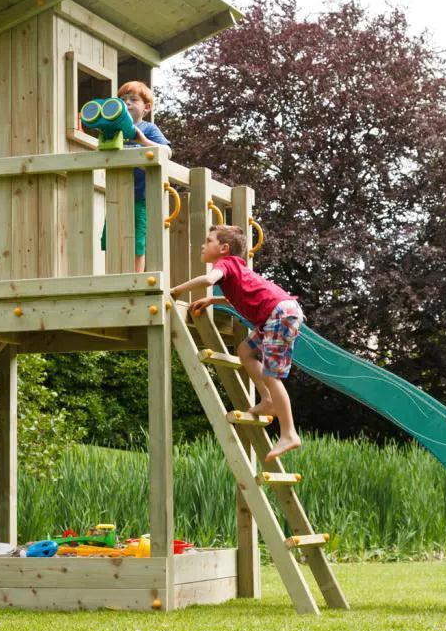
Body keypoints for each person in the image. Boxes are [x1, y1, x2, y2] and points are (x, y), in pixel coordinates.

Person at [170, 225, 304, 461]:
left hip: (279, 315)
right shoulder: (235, 267)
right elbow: (243, 294)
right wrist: (213, 300)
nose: (203, 245)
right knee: (245, 351)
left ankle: (289, 433)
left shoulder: (224, 264)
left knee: (272, 375)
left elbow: (208, 279)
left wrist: (177, 290)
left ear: (224, 248)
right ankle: (268, 400)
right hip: (276, 315)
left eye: (208, 241)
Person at [94, 81, 170, 273]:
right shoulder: (114, 131)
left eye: (133, 99)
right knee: (112, 238)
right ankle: (113, 277)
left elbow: (167, 152)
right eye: (122, 99)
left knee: (137, 241)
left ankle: (136, 277)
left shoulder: (149, 129)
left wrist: (142, 140)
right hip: (116, 194)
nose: (126, 103)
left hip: (141, 197)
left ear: (147, 108)